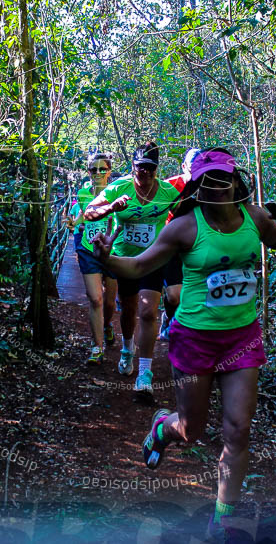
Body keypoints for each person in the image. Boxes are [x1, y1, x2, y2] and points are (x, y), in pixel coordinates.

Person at [91, 148, 276, 539]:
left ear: (237, 182)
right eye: (209, 180)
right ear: (198, 187)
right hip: (195, 339)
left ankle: (223, 521)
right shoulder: (184, 227)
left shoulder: (254, 218)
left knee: (238, 431)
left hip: (242, 338)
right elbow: (138, 266)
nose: (219, 186)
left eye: (226, 178)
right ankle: (161, 430)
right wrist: (107, 259)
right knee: (192, 431)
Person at [83, 141, 180, 399]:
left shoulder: (168, 192)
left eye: (150, 168)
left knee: (148, 311)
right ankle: (127, 349)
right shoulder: (119, 187)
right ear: (133, 166)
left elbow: (186, 217)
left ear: (157, 169)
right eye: (140, 168)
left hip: (153, 258)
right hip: (124, 259)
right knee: (128, 309)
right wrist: (111, 208)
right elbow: (89, 212)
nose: (145, 173)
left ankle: (144, 373)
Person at [66, 153, 118, 365]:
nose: (98, 173)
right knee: (95, 298)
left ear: (109, 172)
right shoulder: (82, 193)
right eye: (93, 169)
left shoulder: (117, 193)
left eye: (102, 169)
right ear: (88, 172)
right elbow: (80, 216)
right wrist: (73, 223)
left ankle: (107, 326)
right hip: (88, 249)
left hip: (112, 251)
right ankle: (96, 347)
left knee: (108, 301)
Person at [159, 147, 201, 342]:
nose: (196, 171)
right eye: (192, 167)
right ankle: (168, 318)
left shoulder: (210, 189)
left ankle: (184, 327)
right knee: (174, 295)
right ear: (184, 166)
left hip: (197, 245)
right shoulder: (170, 187)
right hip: (171, 244)